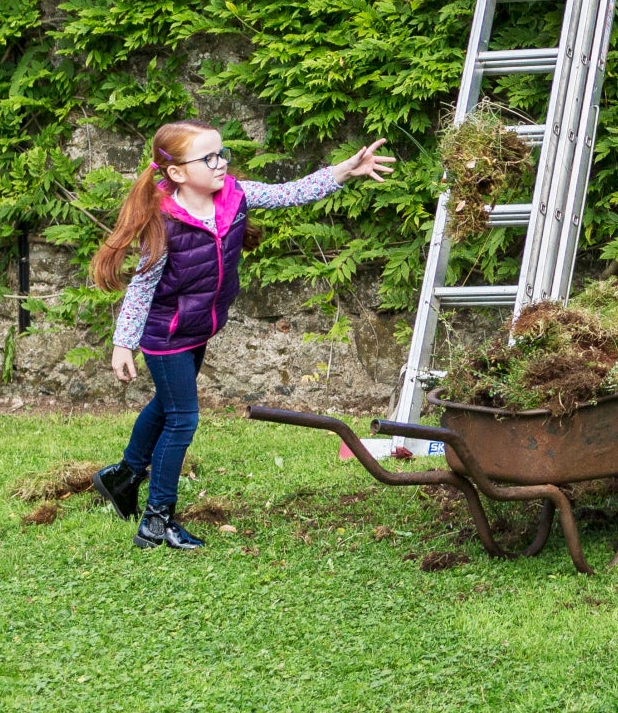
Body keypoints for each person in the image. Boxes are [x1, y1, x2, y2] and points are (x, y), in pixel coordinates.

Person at [89, 122, 397, 549]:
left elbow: (291, 192)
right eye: (209, 158)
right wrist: (124, 343)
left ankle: (121, 477)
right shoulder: (164, 223)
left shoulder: (234, 196)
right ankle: (156, 521)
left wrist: (344, 171)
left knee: (166, 405)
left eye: (222, 153)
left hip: (198, 327)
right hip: (166, 335)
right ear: (177, 172)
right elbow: (142, 286)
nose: (222, 163)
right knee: (182, 419)